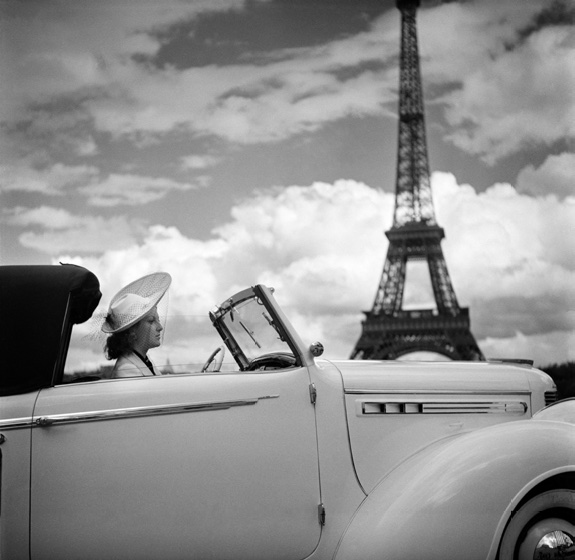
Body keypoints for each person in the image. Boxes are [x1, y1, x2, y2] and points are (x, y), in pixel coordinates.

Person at [102, 272, 171, 378]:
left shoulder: (144, 361)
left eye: (158, 320)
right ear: (132, 331)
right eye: (151, 321)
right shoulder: (128, 369)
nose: (160, 327)